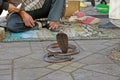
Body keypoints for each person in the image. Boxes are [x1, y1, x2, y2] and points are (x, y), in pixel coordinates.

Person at [0, 0, 65, 32]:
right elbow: (5, 5)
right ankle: (42, 23)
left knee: (54, 17)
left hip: (43, 6)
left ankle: (52, 21)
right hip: (21, 10)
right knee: (12, 25)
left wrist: (55, 18)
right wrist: (21, 13)